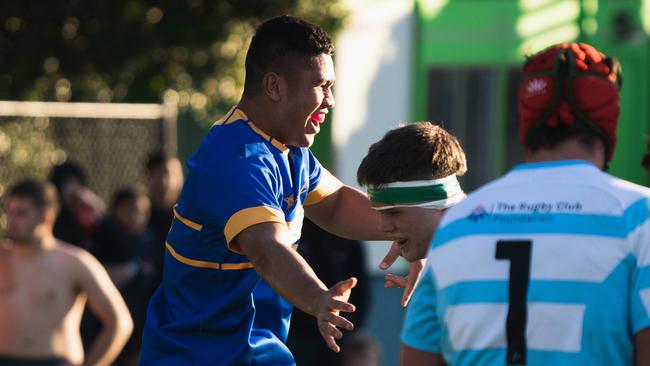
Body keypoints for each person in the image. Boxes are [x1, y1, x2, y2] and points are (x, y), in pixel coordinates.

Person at [139, 15, 418, 365]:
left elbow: (335, 204)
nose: (330, 101)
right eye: (321, 86)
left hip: (257, 353)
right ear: (274, 87)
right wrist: (318, 298)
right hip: (197, 357)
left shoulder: (288, 148)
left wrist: (413, 230)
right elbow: (267, 248)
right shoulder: (236, 159)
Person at [400, 43, 650, 366]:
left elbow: (417, 359)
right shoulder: (639, 217)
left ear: (526, 125)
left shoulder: (457, 224)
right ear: (608, 126)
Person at [0, 179, 133, 366]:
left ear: (46, 217)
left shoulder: (74, 262)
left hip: (56, 361)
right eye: (9, 212)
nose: (11, 220)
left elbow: (120, 321)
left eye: (21, 213)